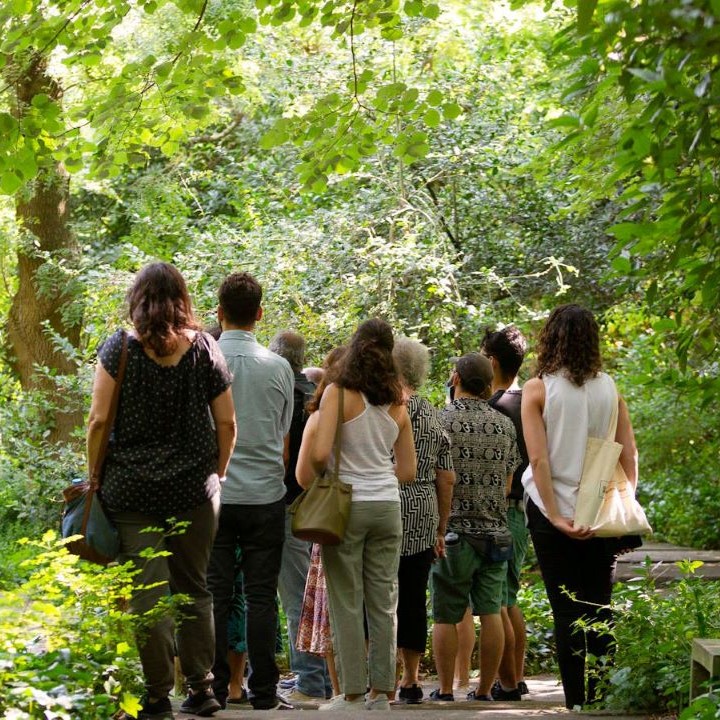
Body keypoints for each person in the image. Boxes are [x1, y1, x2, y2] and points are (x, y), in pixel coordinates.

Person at [89, 262, 236, 720]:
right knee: (195, 589)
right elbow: (228, 422)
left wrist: (94, 475)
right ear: (182, 300)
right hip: (195, 489)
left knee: (147, 593)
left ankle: (157, 696)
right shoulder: (206, 349)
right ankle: (201, 688)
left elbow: (97, 419)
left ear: (138, 299)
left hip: (132, 492)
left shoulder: (120, 348)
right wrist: (220, 470)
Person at [521, 304, 638, 710]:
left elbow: (539, 462)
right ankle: (604, 698)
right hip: (598, 509)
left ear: (550, 337)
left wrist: (556, 515)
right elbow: (629, 456)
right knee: (599, 604)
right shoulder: (611, 388)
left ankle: (574, 703)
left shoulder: (537, 388)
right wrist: (620, 502)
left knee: (565, 608)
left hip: (551, 510)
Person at [298, 318, 416, 711]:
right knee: (384, 601)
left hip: (348, 505)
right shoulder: (398, 400)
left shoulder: (337, 392)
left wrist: (330, 476)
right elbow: (408, 470)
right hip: (387, 506)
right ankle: (383, 694)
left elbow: (316, 455)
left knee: (346, 600)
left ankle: (350, 694)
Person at [207, 272, 295, 711]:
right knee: (261, 597)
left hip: (216, 496)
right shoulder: (279, 368)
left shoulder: (202, 362)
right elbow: (282, 441)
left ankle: (215, 689)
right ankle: (263, 691)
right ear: (260, 314)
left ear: (218, 313)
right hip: (264, 495)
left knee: (216, 595)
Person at [429, 353, 520, 703]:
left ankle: (447, 689)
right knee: (492, 610)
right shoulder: (503, 424)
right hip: (495, 531)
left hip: (452, 532)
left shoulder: (442, 421)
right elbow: (508, 482)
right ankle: (484, 690)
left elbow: (437, 479)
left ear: (456, 378)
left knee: (445, 613)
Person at [391, 337, 455, 704]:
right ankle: (411, 679)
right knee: (414, 596)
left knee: (379, 595)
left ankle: (379, 676)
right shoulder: (431, 413)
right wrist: (440, 528)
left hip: (384, 504)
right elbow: (446, 476)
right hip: (422, 509)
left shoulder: (383, 407)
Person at [269, 330, 332, 702]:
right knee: (319, 595)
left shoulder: (279, 395)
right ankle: (320, 676)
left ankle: (309, 678)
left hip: (287, 505)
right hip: (321, 507)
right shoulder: (317, 398)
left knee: (296, 598)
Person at [482, 326, 530, 700]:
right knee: (510, 599)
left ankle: (509, 684)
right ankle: (516, 677)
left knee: (496, 602)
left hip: (497, 511)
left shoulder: (495, 408)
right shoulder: (529, 400)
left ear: (493, 361)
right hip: (522, 511)